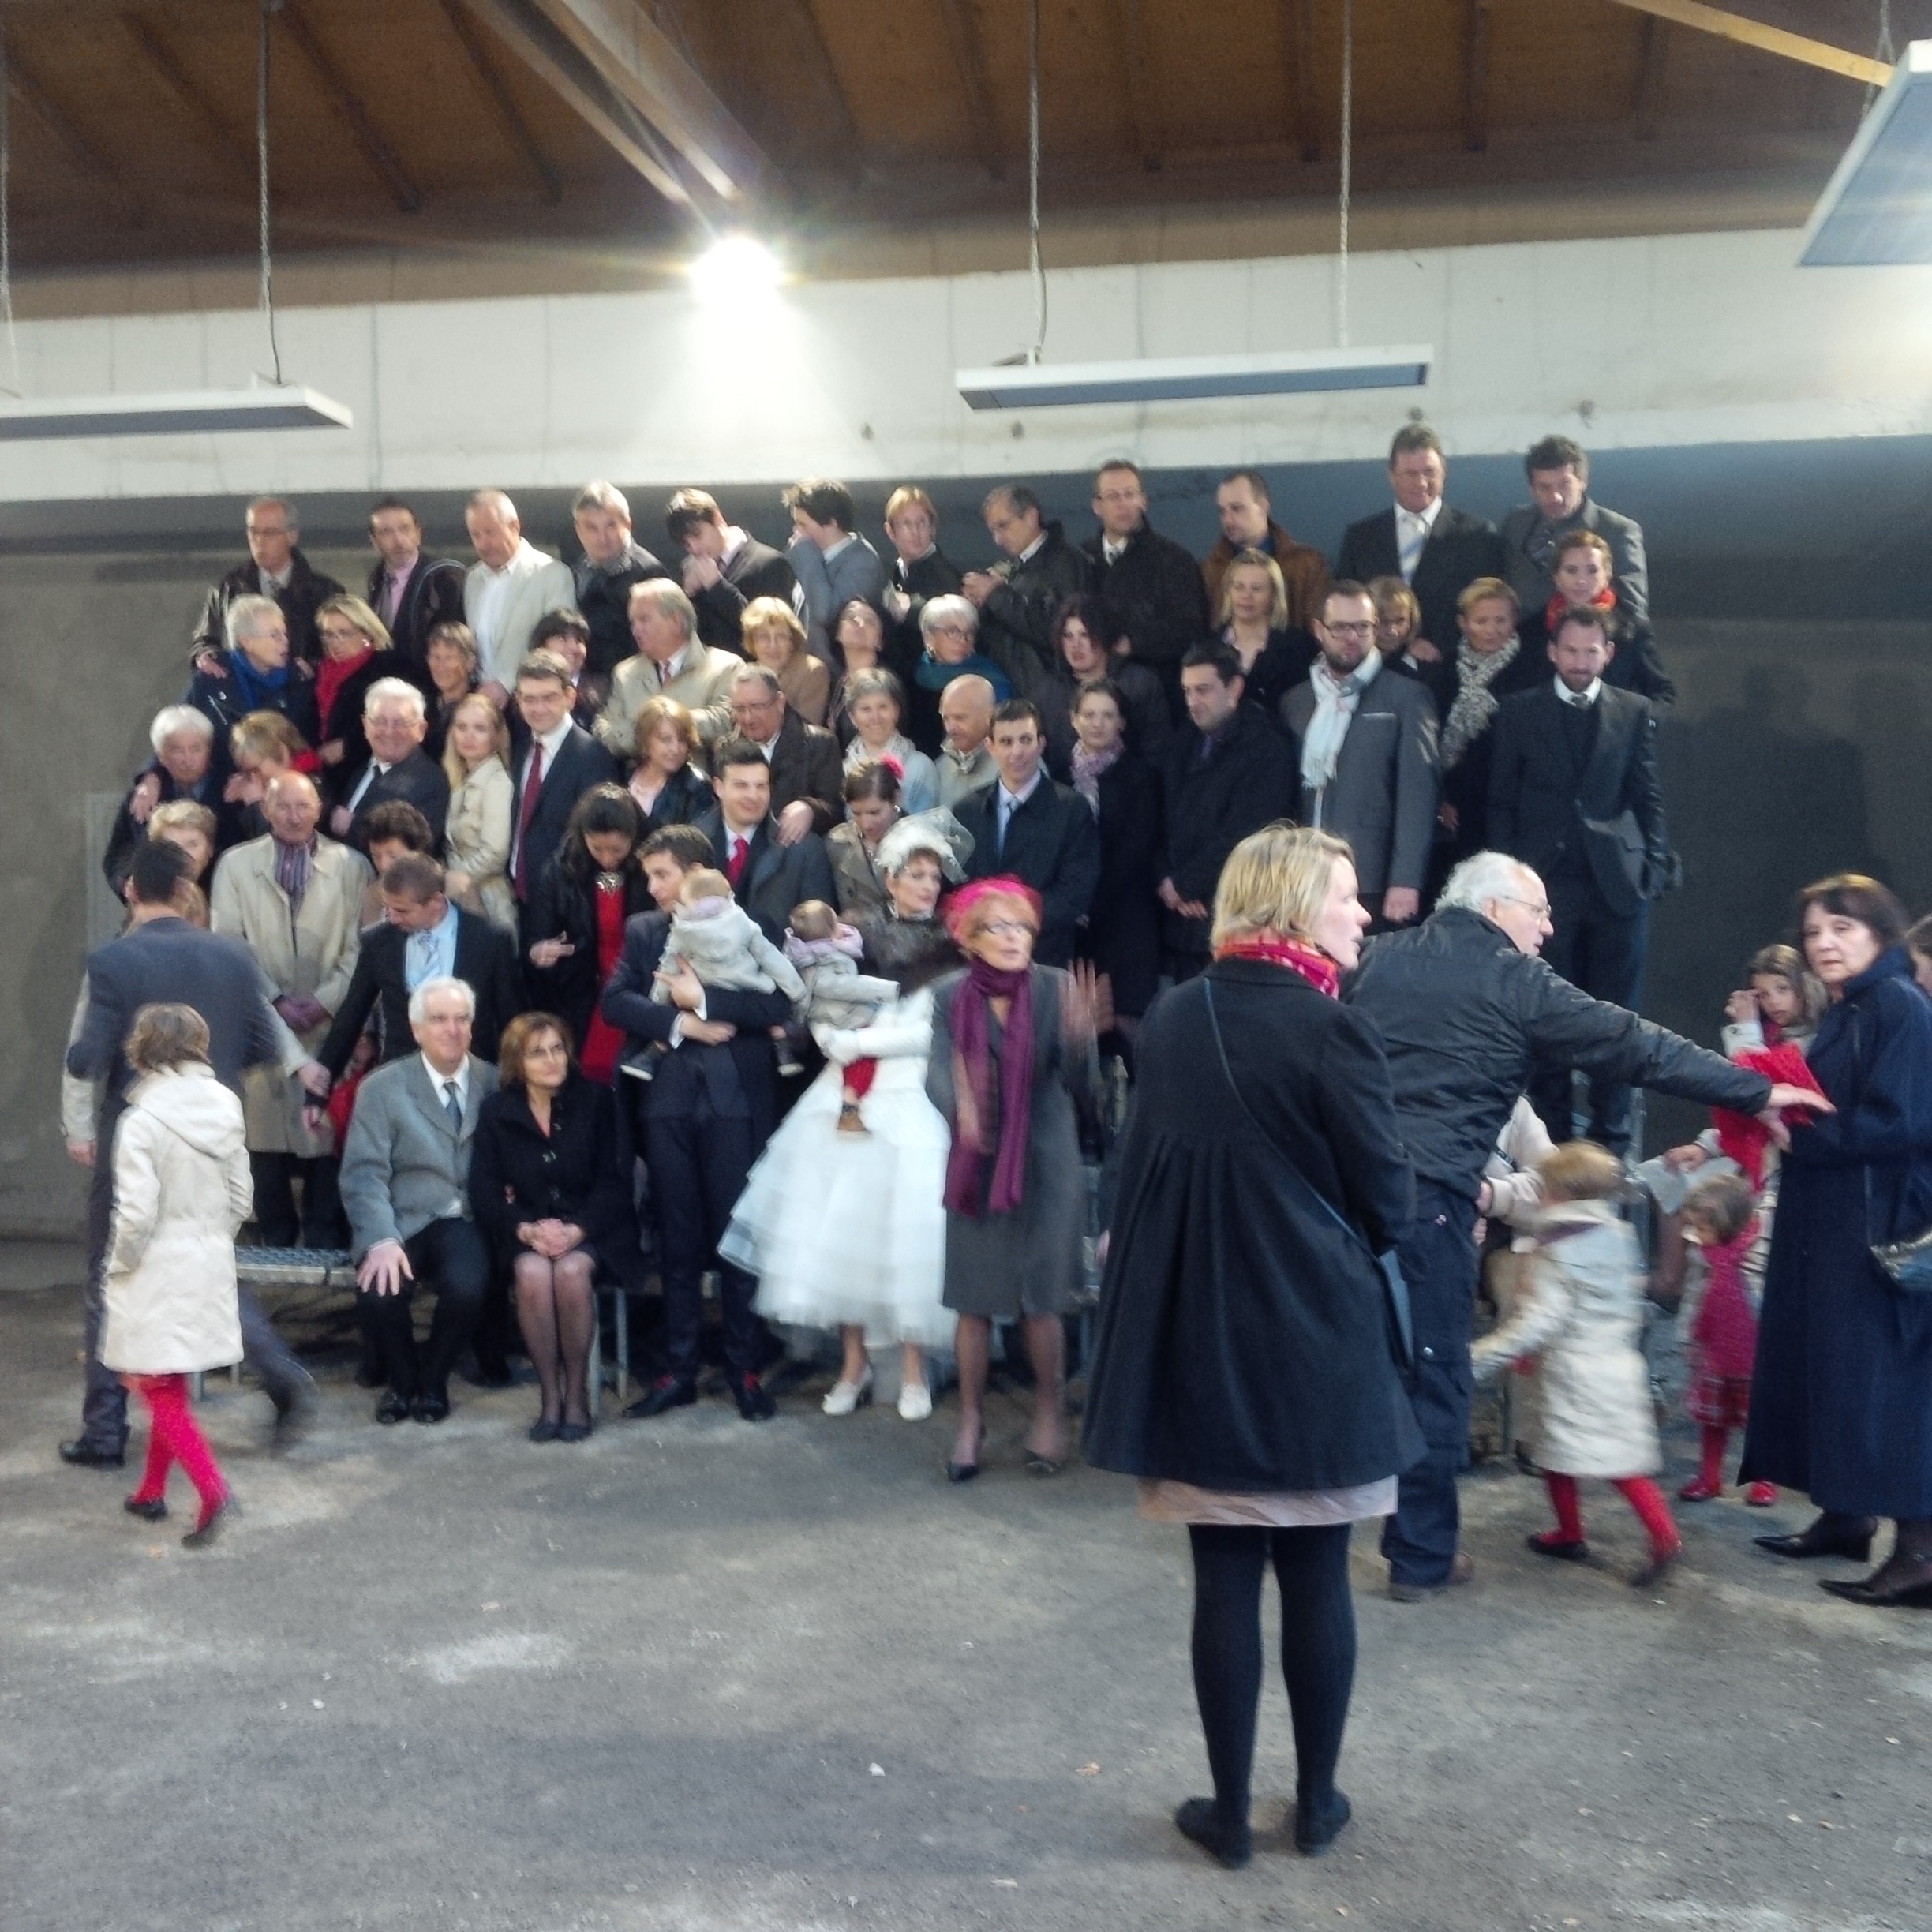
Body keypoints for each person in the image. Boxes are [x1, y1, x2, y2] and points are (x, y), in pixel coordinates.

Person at [1342, 850, 1819, 1603]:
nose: (1550, 927)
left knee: (1349, 1368)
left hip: (1344, 1198)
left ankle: (1299, 1529)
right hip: (1429, 1204)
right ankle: (1420, 1558)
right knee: (1434, 1381)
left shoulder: (1373, 961)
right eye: (1539, 912)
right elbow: (1636, 1045)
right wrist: (1753, 1089)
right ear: (1498, 910)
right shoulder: (1514, 980)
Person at [1083, 824, 1421, 1868]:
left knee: (1221, 1578)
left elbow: (1138, 1178)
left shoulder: (1179, 1017)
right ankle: (1315, 1807)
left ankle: (1227, 1817)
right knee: (1318, 1576)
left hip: (1198, 1341)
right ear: (1290, 905)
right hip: (1313, 1343)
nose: (1362, 912)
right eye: (1347, 895)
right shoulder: (1332, 1030)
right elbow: (1391, 1203)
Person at [62, 840, 327, 1470]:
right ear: (185, 890)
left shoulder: (112, 961)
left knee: (112, 1275)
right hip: (214, 1130)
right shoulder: (233, 957)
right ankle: (278, 1370)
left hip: (142, 1133)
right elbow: (265, 1045)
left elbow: (84, 1058)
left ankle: (104, 1431)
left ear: (131, 889)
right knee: (205, 1261)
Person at [723, 824, 968, 1423]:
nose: (926, 886)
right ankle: (852, 1365)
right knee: (841, 1235)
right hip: (844, 1096)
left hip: (909, 1093)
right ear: (890, 879)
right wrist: (836, 1037)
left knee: (908, 1238)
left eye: (934, 876)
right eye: (915, 874)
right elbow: (821, 1003)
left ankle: (913, 1368)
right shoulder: (856, 934)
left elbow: (928, 1033)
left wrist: (865, 1042)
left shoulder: (951, 944)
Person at [1741, 874, 1932, 1608]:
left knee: (1885, 1390)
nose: (1823, 943)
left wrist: (1800, 1135)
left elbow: (1904, 1120)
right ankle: (1846, 1517)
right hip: (1839, 1222)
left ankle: (1918, 1552)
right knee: (1837, 1376)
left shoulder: (1898, 1006)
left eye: (1842, 929)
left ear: (1881, 933)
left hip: (1876, 1230)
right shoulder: (1857, 1007)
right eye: (1815, 932)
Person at [599, 826, 797, 1423]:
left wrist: (702, 997)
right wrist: (683, 1023)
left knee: (738, 1239)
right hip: (669, 1102)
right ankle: (678, 1370)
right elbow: (615, 1003)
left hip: (739, 1099)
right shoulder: (644, 932)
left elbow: (779, 1004)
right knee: (677, 1240)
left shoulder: (751, 920)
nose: (652, 887)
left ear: (695, 873)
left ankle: (743, 1368)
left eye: (661, 874)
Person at [929, 878, 1097, 1481]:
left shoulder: (1055, 988)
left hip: (1047, 1159)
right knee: (974, 1299)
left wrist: (1081, 1043)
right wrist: (962, 1109)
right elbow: (935, 1075)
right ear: (969, 939)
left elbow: (1084, 1090)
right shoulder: (950, 995)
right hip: (977, 1160)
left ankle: (1049, 1414)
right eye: (997, 927)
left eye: (1021, 927)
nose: (1012, 937)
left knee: (1042, 1300)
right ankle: (970, 1421)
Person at [1488, 606, 1668, 1149]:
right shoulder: (1519, 711)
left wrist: (1654, 866)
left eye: (1591, 652)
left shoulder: (1633, 710)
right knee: (1545, 1016)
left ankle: (1612, 1145)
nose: (1580, 661)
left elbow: (1648, 796)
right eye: (1571, 651)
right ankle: (1553, 1143)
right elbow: (1501, 800)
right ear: (1551, 651)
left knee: (1617, 1017)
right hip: (1542, 889)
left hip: (1615, 885)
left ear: (1608, 654)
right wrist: (1504, 877)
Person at [1471, 1141, 1683, 1589]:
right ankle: (1613, 1533)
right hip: (1617, 1363)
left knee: (1579, 1458)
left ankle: (1623, 1536)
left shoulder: (1557, 1249)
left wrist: (1479, 1358)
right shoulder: (1618, 1235)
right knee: (1600, 1460)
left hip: (1573, 1373)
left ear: (1559, 1195)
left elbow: (1539, 1322)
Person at [99, 1002, 253, 1548]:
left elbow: (136, 1213)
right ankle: (149, 1493)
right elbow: (242, 1196)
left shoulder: (140, 1121)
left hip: (154, 1264)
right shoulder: (227, 1105)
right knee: (169, 1379)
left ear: (141, 1051)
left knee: (153, 1383)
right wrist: (211, 1240)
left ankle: (212, 1489)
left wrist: (118, 1264)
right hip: (208, 1256)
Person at [208, 772, 372, 1248]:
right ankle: (276, 1239)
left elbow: (361, 950)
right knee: (263, 1137)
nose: (294, 816)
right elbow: (229, 946)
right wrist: (276, 1001)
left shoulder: (352, 866)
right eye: (283, 807)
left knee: (323, 1133)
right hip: (260, 1021)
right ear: (266, 811)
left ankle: (323, 1236)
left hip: (331, 1023)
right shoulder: (235, 866)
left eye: (304, 806)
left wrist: (323, 1002)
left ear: (319, 808)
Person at [470, 1012, 640, 1442]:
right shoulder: (497, 1112)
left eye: (557, 1049)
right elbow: (484, 1192)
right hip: (528, 1229)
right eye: (537, 1053)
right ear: (517, 1063)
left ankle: (577, 1394)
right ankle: (550, 1397)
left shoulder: (598, 1101)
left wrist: (577, 1231)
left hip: (594, 1229)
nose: (551, 1060)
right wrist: (526, 1231)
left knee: (570, 1272)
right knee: (530, 1273)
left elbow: (615, 1183)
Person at [339, 975, 499, 1425]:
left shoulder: (495, 1081)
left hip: (464, 1218)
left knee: (469, 1288)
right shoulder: (383, 1087)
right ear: (417, 1030)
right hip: (402, 1217)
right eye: (439, 1019)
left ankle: (432, 1380)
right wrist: (380, 1239)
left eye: (462, 1019)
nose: (453, 1029)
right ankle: (402, 1381)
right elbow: (364, 1172)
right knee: (380, 1291)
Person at [1281, 582, 1439, 930]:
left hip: (1373, 881)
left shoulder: (1408, 697)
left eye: (1363, 627)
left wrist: (1406, 879)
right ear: (1318, 629)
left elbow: (1418, 796)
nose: (1352, 637)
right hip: (1304, 879)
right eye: (1340, 627)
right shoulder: (1296, 701)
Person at [1158, 642, 1298, 982]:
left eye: (1203, 690)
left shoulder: (1266, 747)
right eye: (1187, 691)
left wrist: (1186, 884)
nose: (1192, 701)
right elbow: (1159, 817)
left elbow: (1248, 834)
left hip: (1234, 917)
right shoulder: (1184, 740)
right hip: (1179, 917)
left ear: (1234, 687)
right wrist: (1167, 882)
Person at [317, 852, 526, 1076]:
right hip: (402, 1081)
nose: (392, 918)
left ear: (435, 902)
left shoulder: (490, 941)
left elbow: (512, 1019)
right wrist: (321, 1085)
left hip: (473, 1079)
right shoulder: (378, 942)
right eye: (388, 909)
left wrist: (519, 1085)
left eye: (402, 911)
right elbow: (351, 1015)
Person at [1335, 425, 1507, 665]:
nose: (1422, 482)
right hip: (1373, 670)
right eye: (1410, 473)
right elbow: (1345, 605)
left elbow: (1489, 608)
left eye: (1429, 472)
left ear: (1443, 472)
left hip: (1450, 672)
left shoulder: (1477, 535)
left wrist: (1439, 644)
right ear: (1391, 476)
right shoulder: (1361, 538)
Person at [953, 699, 1102, 970]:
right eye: (1007, 742)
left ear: (1041, 744)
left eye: (1025, 740)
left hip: (1044, 959)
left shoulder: (1071, 809)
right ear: (990, 747)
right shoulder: (967, 810)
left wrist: (1013, 925)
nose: (1017, 752)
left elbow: (1075, 893)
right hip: (979, 961)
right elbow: (956, 884)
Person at [526, 784, 656, 1080]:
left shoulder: (651, 865)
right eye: (598, 849)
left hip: (638, 979)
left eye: (617, 850)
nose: (608, 859)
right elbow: (537, 936)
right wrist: (539, 952)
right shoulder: (560, 869)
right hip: (581, 983)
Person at [1066, 679, 1162, 1039]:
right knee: (1080, 1026)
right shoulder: (1059, 776)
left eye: (1108, 715)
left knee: (1125, 1021)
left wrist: (1091, 896)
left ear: (1122, 722)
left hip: (1126, 914)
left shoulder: (1142, 775)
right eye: (1088, 714)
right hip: (1076, 922)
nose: (1097, 723)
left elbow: (1138, 846)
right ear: (1073, 719)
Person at [1675, 1171, 1773, 1506]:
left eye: (1701, 1228)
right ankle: (1709, 1476)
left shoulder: (1757, 1254)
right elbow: (1695, 1298)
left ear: (1728, 1224)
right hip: (1715, 1355)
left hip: (1754, 1355)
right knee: (1711, 1421)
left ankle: (1763, 1479)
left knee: (1757, 1422)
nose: (1696, 1236)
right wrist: (1689, 1337)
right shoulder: (1704, 1259)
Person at [1432, 578, 1541, 873]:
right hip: (1452, 812)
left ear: (1514, 622)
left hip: (1510, 810)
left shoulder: (1532, 673)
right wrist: (1440, 798)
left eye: (1500, 620)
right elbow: (1428, 741)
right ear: (1463, 623)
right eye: (1481, 621)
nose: (1491, 630)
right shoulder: (1443, 672)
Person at [691, 737, 838, 945]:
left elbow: (820, 937)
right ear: (719, 787)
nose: (753, 795)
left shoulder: (804, 849)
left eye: (761, 786)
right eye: (741, 785)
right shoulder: (693, 843)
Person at [504, 649, 620, 906]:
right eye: (529, 699)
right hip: (518, 894)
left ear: (569, 697)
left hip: (566, 901)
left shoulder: (593, 756)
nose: (538, 708)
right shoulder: (521, 747)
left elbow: (595, 840)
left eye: (549, 698)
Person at [1082, 459, 1210, 691]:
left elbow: (1189, 628)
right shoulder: (1081, 559)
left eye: (1129, 494)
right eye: (1113, 496)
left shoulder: (1175, 559)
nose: (1123, 504)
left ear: (1144, 501)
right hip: (1091, 697)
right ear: (1097, 506)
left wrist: (1131, 643)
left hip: (1159, 691)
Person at [1500, 435, 1649, 625]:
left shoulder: (1618, 531)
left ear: (1582, 481)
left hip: (1589, 645)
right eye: (1544, 487)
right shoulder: (1515, 524)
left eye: (1564, 485)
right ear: (1531, 488)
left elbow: (1632, 608)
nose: (1555, 497)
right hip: (1521, 644)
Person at [961, 484, 1092, 699]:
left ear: (1031, 516)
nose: (997, 539)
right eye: (992, 530)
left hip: (1054, 695)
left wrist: (995, 595)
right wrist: (979, 606)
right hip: (1017, 694)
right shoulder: (1011, 568)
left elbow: (1056, 628)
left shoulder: (1066, 562)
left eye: (1003, 526)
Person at [1517, 528, 1674, 706]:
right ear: (1556, 577)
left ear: (1607, 576)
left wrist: (1636, 725)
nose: (1581, 580)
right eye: (1571, 570)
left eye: (1592, 570)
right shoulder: (1530, 631)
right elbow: (1518, 695)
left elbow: (1662, 693)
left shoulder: (1632, 629)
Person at [191, 496, 343, 669]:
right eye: (253, 532)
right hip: (242, 691)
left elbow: (343, 648)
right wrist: (205, 656)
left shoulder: (325, 592)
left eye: (269, 533)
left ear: (292, 536)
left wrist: (312, 668)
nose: (259, 540)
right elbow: (205, 640)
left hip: (304, 690)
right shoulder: (228, 588)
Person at [596, 578, 743, 757]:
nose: (635, 630)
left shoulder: (726, 667)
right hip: (637, 780)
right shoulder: (625, 672)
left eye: (644, 620)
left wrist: (660, 724)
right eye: (633, 622)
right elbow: (604, 729)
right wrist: (651, 733)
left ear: (676, 621)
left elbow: (724, 721)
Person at [1033, 596, 1171, 779]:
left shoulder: (1141, 683)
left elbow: (1159, 752)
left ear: (1104, 636)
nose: (1076, 645)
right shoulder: (1047, 690)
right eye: (1068, 636)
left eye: (1085, 634)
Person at [462, 489, 577, 702]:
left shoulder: (552, 574)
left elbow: (557, 649)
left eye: (490, 532)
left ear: (514, 526)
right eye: (475, 535)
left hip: (532, 702)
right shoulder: (473, 579)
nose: (483, 543)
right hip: (482, 703)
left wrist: (506, 685)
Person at [313, 595, 427, 806]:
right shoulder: (321, 671)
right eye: (329, 635)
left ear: (366, 633)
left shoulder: (390, 666)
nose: (335, 642)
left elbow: (404, 725)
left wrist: (349, 746)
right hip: (330, 779)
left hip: (378, 778)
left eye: (344, 634)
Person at [183, 594, 319, 758]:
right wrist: (153, 775)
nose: (285, 641)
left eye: (284, 633)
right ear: (246, 642)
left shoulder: (301, 679)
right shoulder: (212, 678)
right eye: (274, 635)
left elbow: (308, 746)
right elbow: (177, 730)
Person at [104, 707, 222, 893]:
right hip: (158, 901)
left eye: (196, 749)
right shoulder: (144, 796)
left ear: (209, 750)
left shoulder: (230, 793)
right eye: (178, 751)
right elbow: (118, 854)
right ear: (161, 756)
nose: (188, 759)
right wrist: (129, 882)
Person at [665, 485, 796, 651]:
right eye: (686, 543)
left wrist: (717, 586)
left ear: (717, 519)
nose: (694, 549)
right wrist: (688, 596)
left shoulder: (770, 563)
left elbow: (769, 631)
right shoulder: (689, 566)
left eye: (697, 535)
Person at [1200, 468, 1328, 634]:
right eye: (1222, 512)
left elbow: (1320, 629)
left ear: (1262, 507)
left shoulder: (1308, 564)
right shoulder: (1210, 569)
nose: (1228, 520)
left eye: (1237, 509)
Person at [725, 663, 844, 839]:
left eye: (756, 706)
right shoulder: (725, 750)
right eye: (740, 709)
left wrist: (810, 809)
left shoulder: (819, 745)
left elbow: (837, 810)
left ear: (780, 702)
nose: (748, 718)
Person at [332, 677, 450, 850]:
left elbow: (415, 850)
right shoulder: (361, 770)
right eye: (380, 721)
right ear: (365, 725)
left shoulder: (430, 782)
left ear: (421, 730)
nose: (389, 732)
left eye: (400, 723)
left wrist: (351, 827)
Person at [570, 480, 668, 678]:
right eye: (592, 528)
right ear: (579, 531)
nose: (602, 537)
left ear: (628, 524)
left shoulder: (649, 573)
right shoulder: (575, 571)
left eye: (611, 526)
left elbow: (658, 643)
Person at [1209, 548, 1316, 724]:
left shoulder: (1298, 647)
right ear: (1228, 592)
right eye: (1239, 587)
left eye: (1257, 589)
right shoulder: (1208, 646)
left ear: (1274, 595)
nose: (1246, 596)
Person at [784, 477, 887, 659]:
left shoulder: (863, 563)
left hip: (836, 675)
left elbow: (827, 614)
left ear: (831, 523)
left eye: (803, 524)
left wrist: (807, 558)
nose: (796, 532)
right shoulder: (810, 556)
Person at [438, 692, 516, 931]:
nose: (469, 736)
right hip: (455, 897)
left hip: (487, 899)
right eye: (461, 727)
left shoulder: (498, 782)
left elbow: (495, 853)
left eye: (480, 728)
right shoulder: (455, 778)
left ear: (496, 736)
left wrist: (451, 880)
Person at [365, 496, 466, 668]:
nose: (398, 540)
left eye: (405, 529)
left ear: (418, 534)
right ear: (374, 541)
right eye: (386, 532)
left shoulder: (444, 577)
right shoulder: (377, 582)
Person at [908, 594, 1012, 753]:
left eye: (968, 633)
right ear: (928, 635)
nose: (963, 640)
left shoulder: (990, 677)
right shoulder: (914, 675)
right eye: (952, 631)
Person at [879, 485, 964, 660]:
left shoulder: (945, 575)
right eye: (906, 524)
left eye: (922, 522)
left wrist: (910, 610)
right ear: (890, 531)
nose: (915, 532)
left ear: (933, 528)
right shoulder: (896, 571)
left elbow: (954, 623)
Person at [841, 668, 936, 813]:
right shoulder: (842, 770)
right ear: (853, 717)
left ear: (896, 712)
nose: (875, 717)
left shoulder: (920, 767)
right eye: (866, 709)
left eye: (883, 707)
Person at [826, 760, 905, 919]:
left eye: (875, 812)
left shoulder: (920, 841)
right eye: (856, 813)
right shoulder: (836, 845)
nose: (866, 824)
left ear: (896, 798)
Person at [740, 596, 832, 725]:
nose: (773, 645)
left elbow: (805, 731)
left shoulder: (812, 671)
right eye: (764, 636)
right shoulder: (746, 673)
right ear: (752, 641)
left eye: (781, 636)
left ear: (792, 639)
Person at [625, 695, 711, 831]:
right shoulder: (624, 772)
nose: (675, 749)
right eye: (666, 740)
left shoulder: (696, 787)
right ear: (645, 741)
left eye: (682, 740)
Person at [826, 599, 892, 746]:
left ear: (880, 641)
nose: (859, 624)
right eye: (851, 617)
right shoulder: (834, 679)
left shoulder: (886, 685)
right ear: (837, 633)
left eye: (869, 621)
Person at [934, 673, 999, 807]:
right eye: (946, 718)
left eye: (960, 718)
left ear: (989, 715)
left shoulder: (1015, 764)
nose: (950, 728)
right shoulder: (939, 768)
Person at [421, 620, 481, 762]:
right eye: (435, 657)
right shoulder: (424, 705)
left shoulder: (481, 705)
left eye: (450, 658)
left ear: (470, 662)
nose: (441, 666)